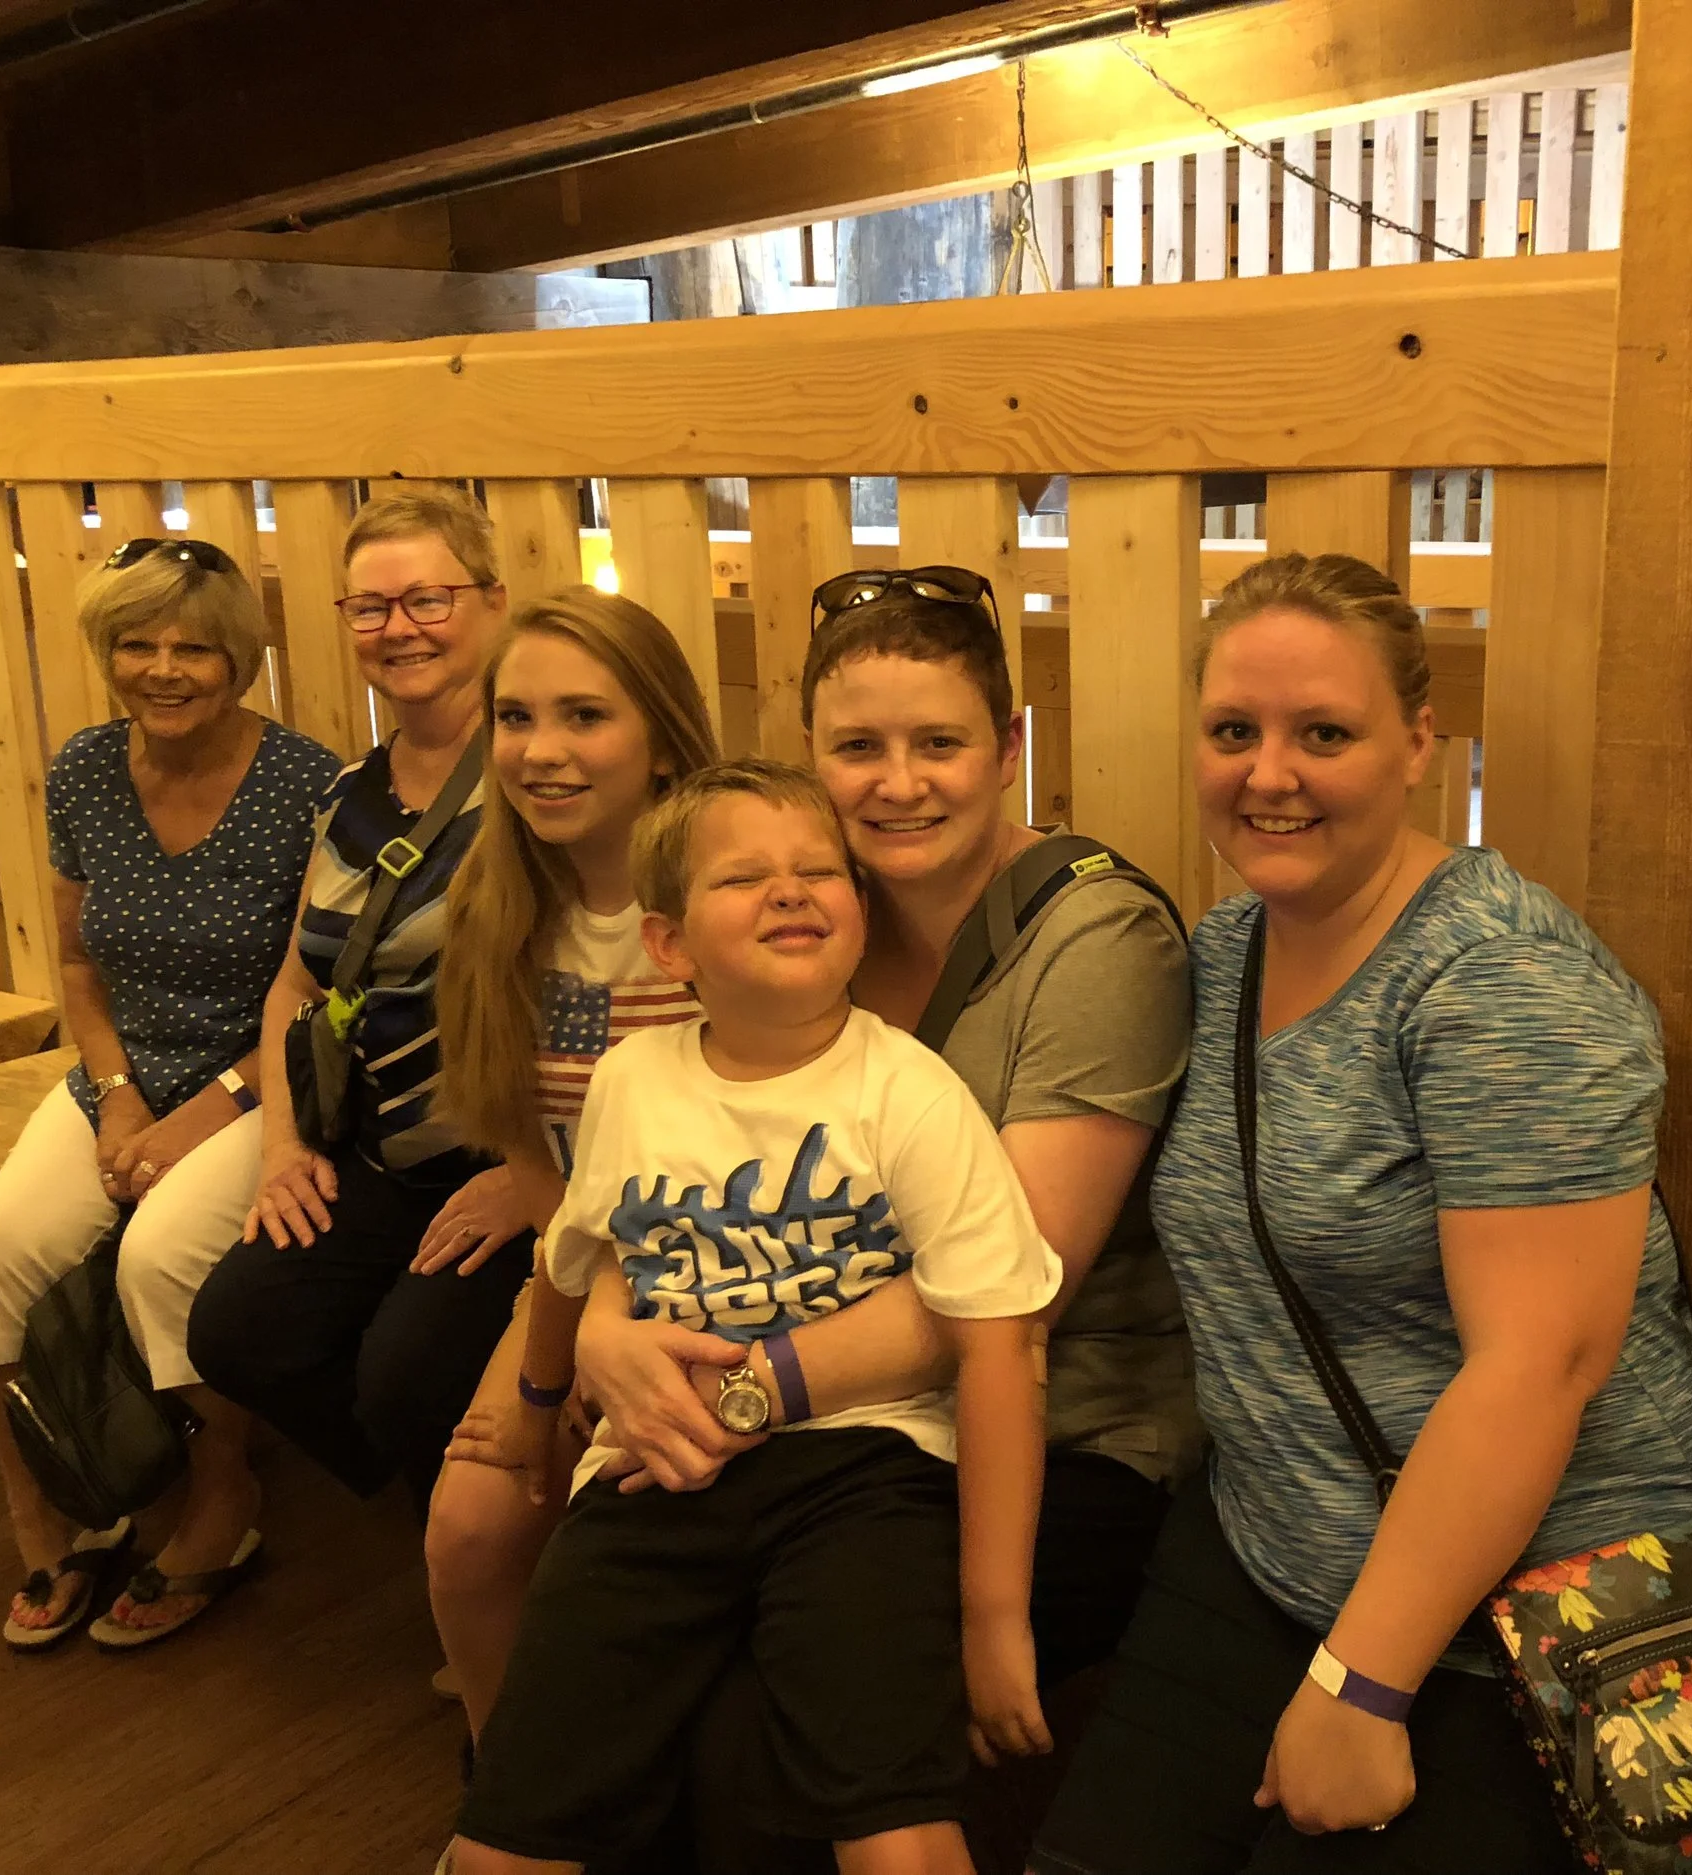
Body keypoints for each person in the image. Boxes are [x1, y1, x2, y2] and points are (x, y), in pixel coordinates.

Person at [1027, 553, 1692, 1875]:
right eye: (1234, 731)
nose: (1270, 774)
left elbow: (1541, 1363)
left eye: (1324, 734)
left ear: (1417, 745)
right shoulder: (1220, 956)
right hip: (1267, 1542)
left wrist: (1362, 1684)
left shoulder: (1502, 985)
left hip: (1545, 1607)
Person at [552, 566, 1198, 1864]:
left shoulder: (1096, 942)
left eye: (939, 744)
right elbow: (685, 1161)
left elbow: (1015, 1294)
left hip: (1060, 1429)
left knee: (747, 1740)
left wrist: (723, 1399)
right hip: (830, 1422)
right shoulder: (810, 913)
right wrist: (605, 1329)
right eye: (858, 748)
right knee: (624, 1670)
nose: (898, 783)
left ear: (1007, 748)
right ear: (813, 756)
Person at [448, 760, 1062, 1875]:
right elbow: (572, 1257)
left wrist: (994, 1619)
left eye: (818, 871)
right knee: (508, 1834)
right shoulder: (632, 1080)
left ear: (858, 913)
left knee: (893, 1827)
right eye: (743, 878)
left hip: (864, 1470)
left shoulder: (910, 1093)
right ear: (669, 944)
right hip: (653, 1471)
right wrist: (537, 1406)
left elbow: (1001, 1346)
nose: (789, 891)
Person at [0, 535, 339, 1651]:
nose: (163, 669)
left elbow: (316, 994)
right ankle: (46, 1505)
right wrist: (118, 1098)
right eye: (137, 643)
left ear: (239, 661)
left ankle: (224, 1494)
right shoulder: (83, 769)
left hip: (257, 1083)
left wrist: (196, 1119)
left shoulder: (309, 785)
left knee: (160, 1253)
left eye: (194, 649)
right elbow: (78, 963)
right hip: (122, 1075)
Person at [415, 584, 722, 1742]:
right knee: (469, 1529)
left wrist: (606, 1348)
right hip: (580, 1274)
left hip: (743, 1280)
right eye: (516, 717)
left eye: (584, 716)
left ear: (661, 741)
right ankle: (506, 1781)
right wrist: (571, 1342)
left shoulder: (728, 895)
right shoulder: (492, 905)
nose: (541, 752)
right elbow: (534, 1158)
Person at [185, 488, 526, 1516]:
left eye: (428, 598)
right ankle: (448, 1504)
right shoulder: (346, 796)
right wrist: (284, 1149)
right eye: (371, 607)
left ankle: (485, 1533)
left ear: (493, 601)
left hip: (506, 1155)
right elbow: (298, 983)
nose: (399, 627)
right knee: (238, 1333)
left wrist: (540, 1177)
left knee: (404, 1376)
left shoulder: (537, 782)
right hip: (375, 1146)